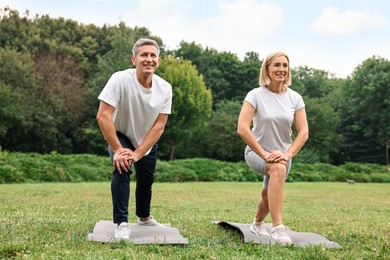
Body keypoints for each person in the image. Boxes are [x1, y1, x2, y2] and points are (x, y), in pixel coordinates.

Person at [96, 38, 173, 240]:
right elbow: (103, 115)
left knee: (146, 179)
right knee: (122, 167)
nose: (149, 59)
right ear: (134, 59)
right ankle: (121, 223)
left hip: (147, 137)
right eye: (144, 55)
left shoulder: (165, 88)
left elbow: (159, 125)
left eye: (153, 55)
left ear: (158, 60)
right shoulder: (119, 79)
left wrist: (139, 153)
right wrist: (119, 150)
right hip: (120, 133)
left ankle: (144, 218)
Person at [237, 51, 309, 244]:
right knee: (276, 170)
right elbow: (242, 128)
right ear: (267, 69)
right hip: (257, 151)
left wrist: (286, 155)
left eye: (285, 65)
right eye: (276, 65)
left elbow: (303, 133)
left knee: (268, 192)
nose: (281, 69)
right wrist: (264, 154)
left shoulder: (295, 98)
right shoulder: (255, 95)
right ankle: (277, 227)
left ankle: (257, 223)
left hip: (284, 155)